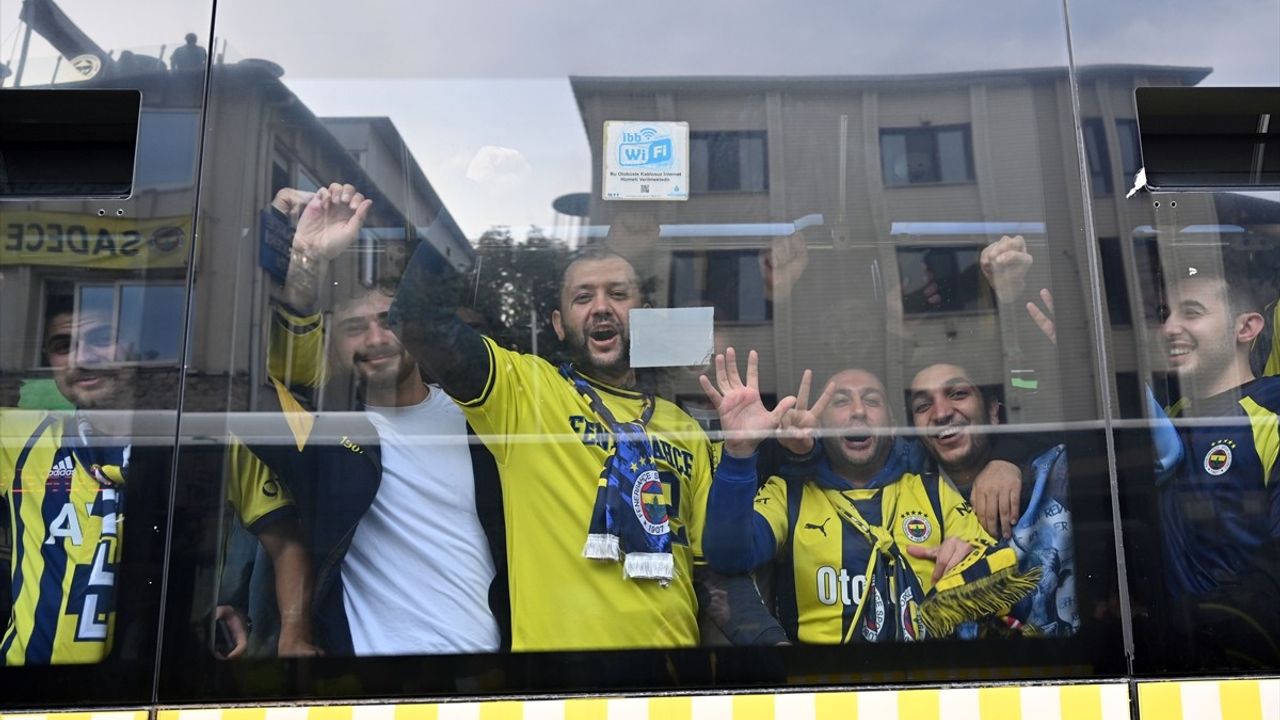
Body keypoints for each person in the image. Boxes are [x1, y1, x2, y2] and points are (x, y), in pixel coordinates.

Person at [389, 232, 744, 651]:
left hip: (666, 686)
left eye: (617, 293)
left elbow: (713, 576)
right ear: (558, 324)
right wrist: (465, 195)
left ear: (645, 316)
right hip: (560, 687)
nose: (601, 307)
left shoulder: (685, 429)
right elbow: (417, 319)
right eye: (582, 298)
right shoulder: (522, 392)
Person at [240, 183, 508, 656]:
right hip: (370, 684)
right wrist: (302, 256)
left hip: (487, 675)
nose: (375, 337)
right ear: (332, 348)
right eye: (352, 328)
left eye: (388, 320)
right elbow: (263, 378)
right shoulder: (327, 435)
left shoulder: (480, 417)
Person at [1, 299, 315, 664]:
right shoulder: (19, 437)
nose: (81, 358)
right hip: (30, 692)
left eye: (101, 337)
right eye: (62, 346)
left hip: (160, 682)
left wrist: (294, 636)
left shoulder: (208, 442)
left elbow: (287, 542)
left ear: (140, 347)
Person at [700, 350, 1037, 642]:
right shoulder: (789, 494)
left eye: (872, 400)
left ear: (892, 423)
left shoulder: (932, 491)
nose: (858, 411)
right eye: (841, 401)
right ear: (818, 424)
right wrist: (740, 451)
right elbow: (729, 555)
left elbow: (1006, 583)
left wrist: (969, 562)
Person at [1154, 263, 1280, 662]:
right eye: (1164, 315)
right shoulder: (1160, 418)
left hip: (1249, 664)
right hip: (1167, 659)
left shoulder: (1272, 415)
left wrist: (1218, 619)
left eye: (1191, 312)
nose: (1170, 327)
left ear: (1246, 328)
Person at [909, 362, 1077, 636]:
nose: (940, 413)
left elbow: (1148, 450)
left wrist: (1009, 455)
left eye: (958, 394)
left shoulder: (1055, 474)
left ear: (992, 411)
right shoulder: (901, 500)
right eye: (922, 406)